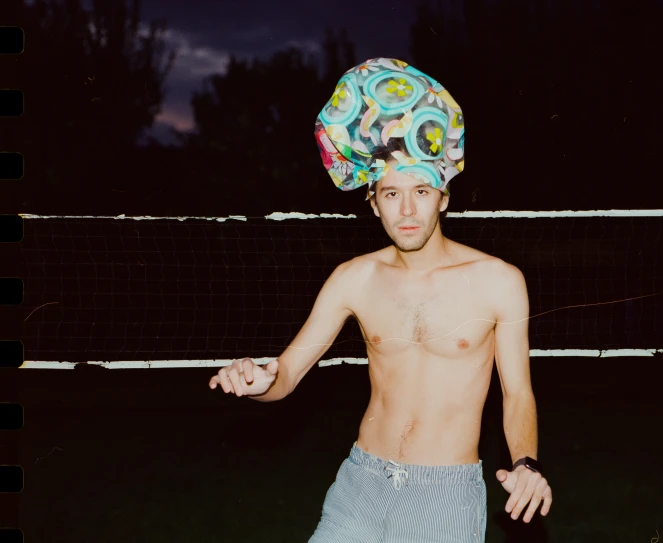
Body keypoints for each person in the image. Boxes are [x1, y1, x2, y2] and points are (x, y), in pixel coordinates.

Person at [209, 57, 553, 541]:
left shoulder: (499, 281)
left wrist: (526, 463)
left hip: (445, 497)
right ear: (372, 202)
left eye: (421, 191)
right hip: (360, 486)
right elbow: (285, 376)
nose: (407, 210)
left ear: (444, 196)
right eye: (391, 194)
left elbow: (518, 393)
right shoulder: (354, 278)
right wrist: (257, 381)